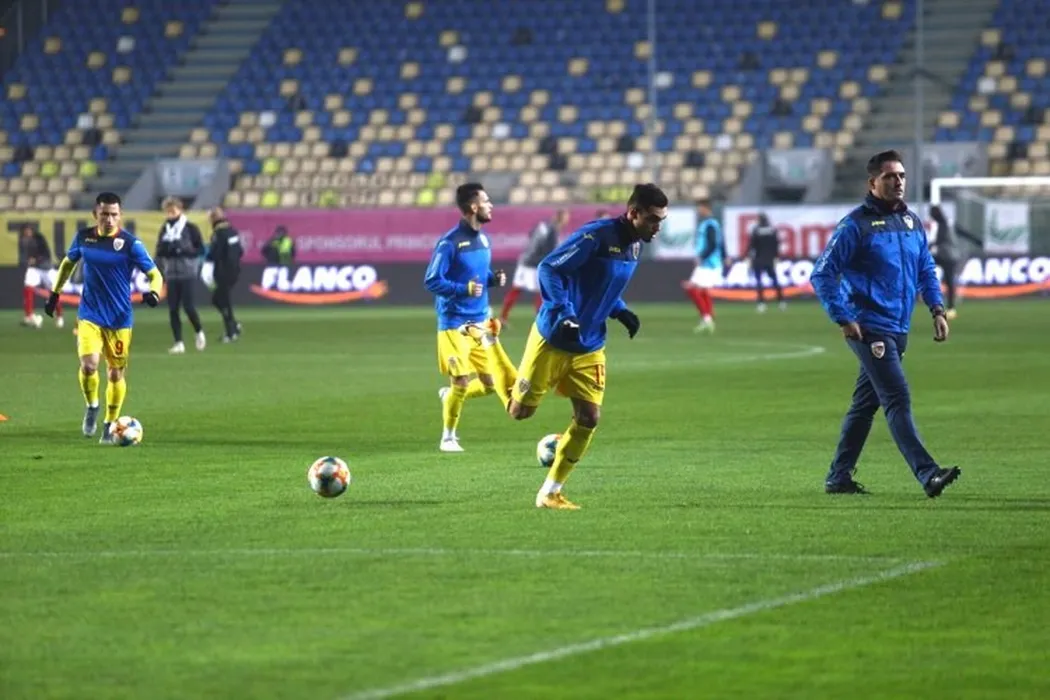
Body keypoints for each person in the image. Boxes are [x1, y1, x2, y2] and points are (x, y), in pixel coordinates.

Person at [810, 150, 961, 498]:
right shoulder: (855, 225)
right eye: (890, 176)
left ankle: (838, 477)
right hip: (869, 326)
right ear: (873, 183)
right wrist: (843, 317)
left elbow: (925, 268)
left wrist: (937, 308)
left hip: (898, 326)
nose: (898, 182)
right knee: (896, 397)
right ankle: (928, 473)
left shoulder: (911, 223)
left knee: (865, 405)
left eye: (902, 176)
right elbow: (823, 274)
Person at [507, 183, 666, 510]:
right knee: (519, 412)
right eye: (652, 219)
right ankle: (491, 347)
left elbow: (600, 286)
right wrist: (564, 312)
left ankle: (550, 492)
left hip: (590, 343)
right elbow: (550, 268)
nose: (657, 226)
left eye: (661, 220)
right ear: (633, 213)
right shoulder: (596, 236)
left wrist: (620, 311)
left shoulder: (635, 247)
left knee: (589, 417)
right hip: (554, 336)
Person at [44, 192, 163, 443]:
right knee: (89, 365)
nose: (109, 219)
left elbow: (155, 274)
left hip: (119, 318)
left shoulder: (130, 244)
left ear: (120, 215)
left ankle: (110, 423)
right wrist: (55, 293)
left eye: (114, 215)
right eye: (104, 214)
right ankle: (92, 406)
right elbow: (67, 264)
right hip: (90, 313)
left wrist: (154, 292)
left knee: (115, 374)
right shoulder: (84, 238)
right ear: (95, 214)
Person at [423, 182, 516, 453]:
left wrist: (492, 280)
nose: (491, 205)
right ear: (474, 207)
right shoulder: (449, 243)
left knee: (490, 384)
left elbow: (476, 276)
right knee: (461, 381)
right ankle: (448, 438)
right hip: (454, 323)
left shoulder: (484, 239)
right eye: (486, 201)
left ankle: (450, 397)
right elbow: (432, 280)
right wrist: (462, 289)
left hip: (480, 323)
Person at [155, 196, 206, 354]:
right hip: (171, 273)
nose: (170, 214)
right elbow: (159, 250)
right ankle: (178, 342)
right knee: (173, 309)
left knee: (188, 307)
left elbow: (200, 249)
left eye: (173, 211)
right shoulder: (165, 229)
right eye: (168, 211)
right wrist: (167, 250)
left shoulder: (190, 228)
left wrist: (185, 251)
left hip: (187, 272)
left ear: (180, 210)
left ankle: (198, 331)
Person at [499, 209, 568, 325]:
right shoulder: (552, 230)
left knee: (516, 289)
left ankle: (503, 317)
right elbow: (550, 251)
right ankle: (541, 321)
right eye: (566, 217)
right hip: (534, 263)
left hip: (525, 260)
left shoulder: (543, 225)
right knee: (541, 293)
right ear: (562, 218)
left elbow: (531, 236)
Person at [202, 207, 244, 342]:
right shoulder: (232, 231)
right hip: (234, 270)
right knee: (221, 299)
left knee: (220, 300)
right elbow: (240, 251)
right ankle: (233, 326)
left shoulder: (218, 234)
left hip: (223, 271)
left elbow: (215, 253)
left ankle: (231, 332)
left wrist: (208, 261)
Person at [682, 199, 724, 333]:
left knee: (690, 288)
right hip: (709, 262)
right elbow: (721, 243)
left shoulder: (710, 225)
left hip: (709, 263)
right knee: (702, 290)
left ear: (706, 208)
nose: (698, 211)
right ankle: (708, 317)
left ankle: (707, 317)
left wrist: (702, 257)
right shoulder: (711, 224)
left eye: (700, 208)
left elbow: (713, 244)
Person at [18, 223, 64, 328]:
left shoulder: (39, 238)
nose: (27, 233)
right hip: (34, 268)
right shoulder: (22, 241)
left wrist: (36, 259)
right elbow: (23, 256)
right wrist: (27, 261)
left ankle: (59, 315)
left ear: (32, 230)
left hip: (46, 268)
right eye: (25, 231)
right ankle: (29, 315)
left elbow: (46, 253)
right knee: (28, 287)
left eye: (28, 230)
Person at [747, 212, 785, 312]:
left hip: (758, 259)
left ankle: (761, 303)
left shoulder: (756, 230)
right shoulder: (772, 230)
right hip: (769, 259)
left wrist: (749, 257)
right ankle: (781, 301)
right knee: (774, 280)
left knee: (759, 281)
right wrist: (776, 256)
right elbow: (776, 244)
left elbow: (752, 246)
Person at [929, 204, 959, 320]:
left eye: (932, 214)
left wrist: (926, 247)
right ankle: (951, 307)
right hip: (946, 255)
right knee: (948, 281)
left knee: (949, 282)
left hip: (948, 257)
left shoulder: (943, 224)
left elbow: (939, 240)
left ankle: (951, 307)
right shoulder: (947, 222)